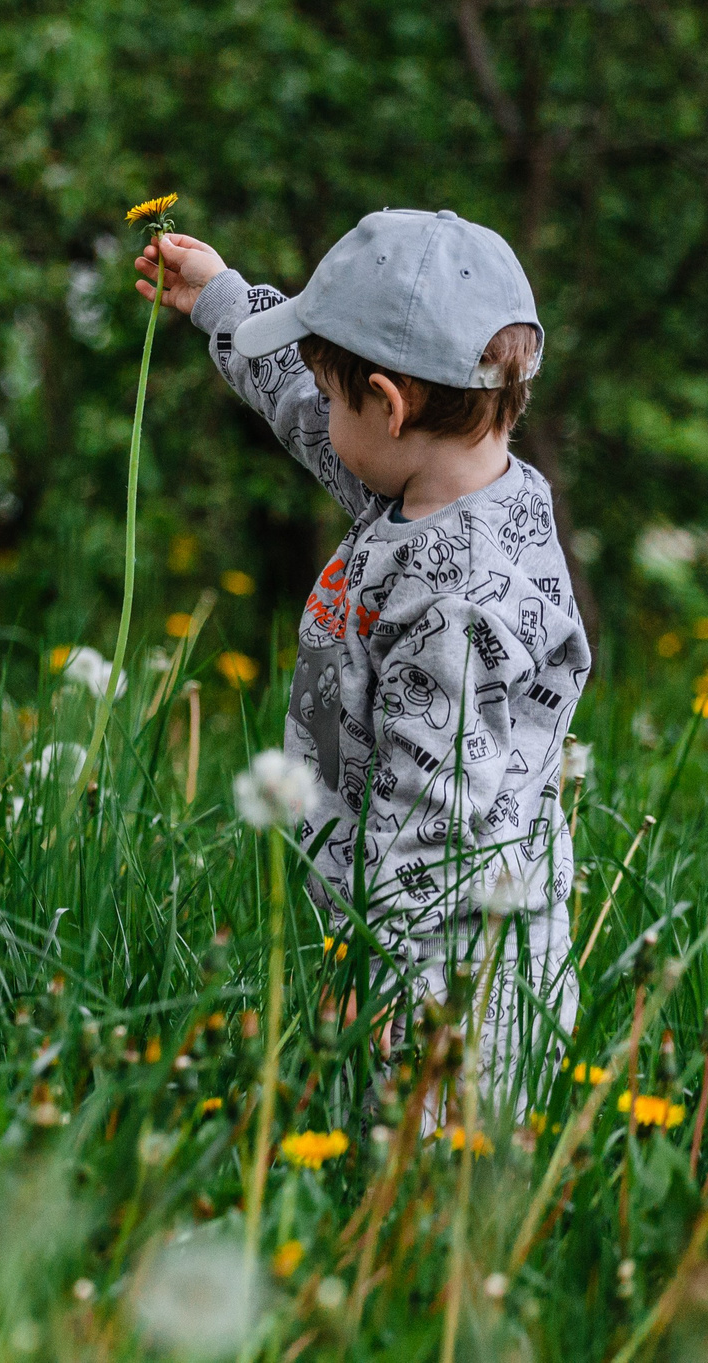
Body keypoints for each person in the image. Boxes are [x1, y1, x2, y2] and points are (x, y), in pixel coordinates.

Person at [135, 209, 590, 1089]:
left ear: (387, 403)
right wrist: (221, 302)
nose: (322, 409)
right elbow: (311, 415)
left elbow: (437, 806)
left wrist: (377, 969)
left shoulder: (455, 601)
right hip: (421, 936)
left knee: (422, 1191)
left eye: (340, 391)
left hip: (451, 978)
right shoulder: (451, 484)